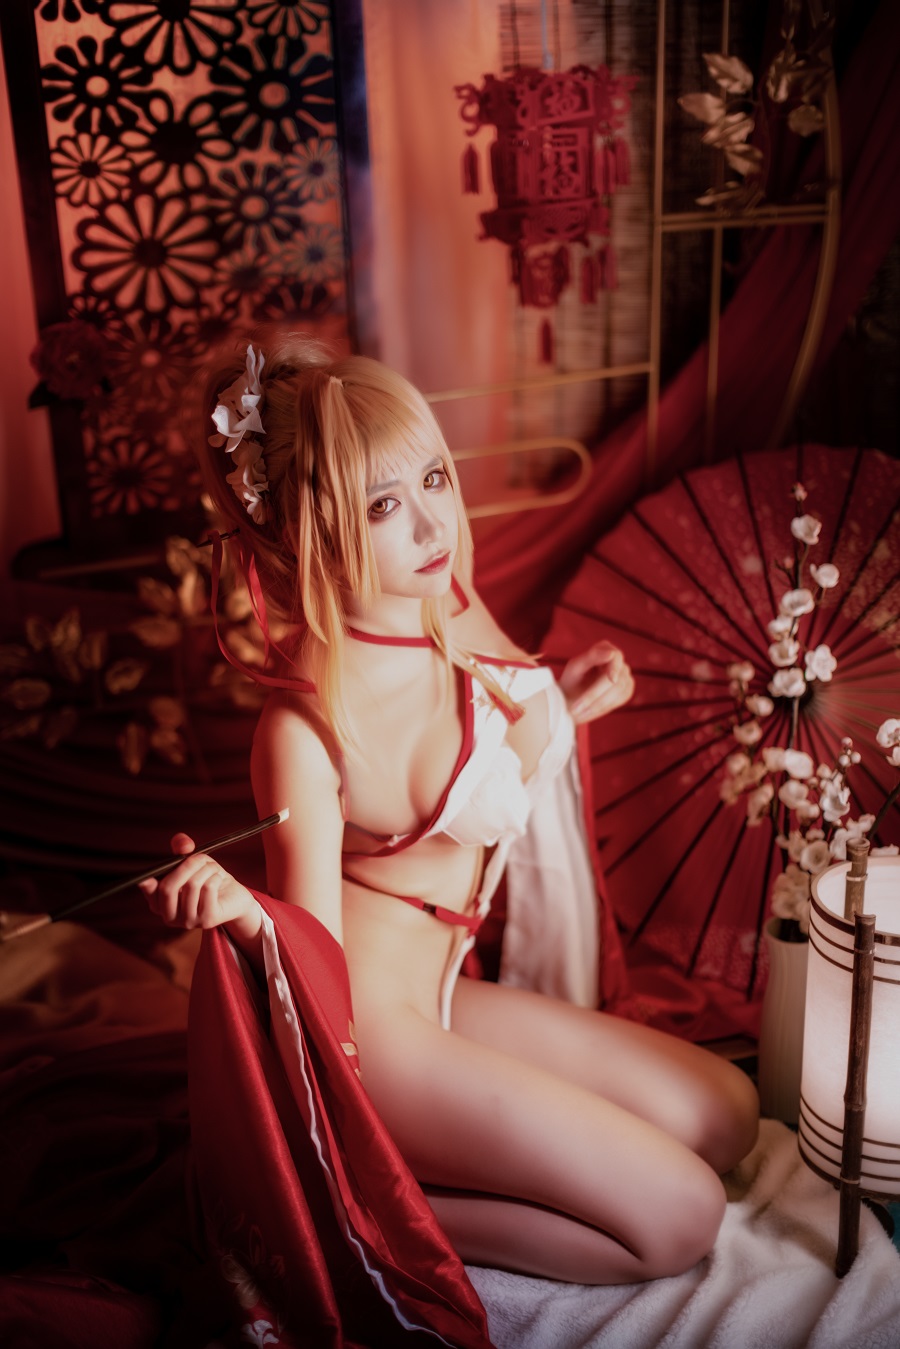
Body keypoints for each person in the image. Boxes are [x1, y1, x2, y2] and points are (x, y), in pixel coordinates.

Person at [140, 334, 758, 1301]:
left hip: (447, 986)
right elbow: (315, 963)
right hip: (379, 1035)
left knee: (727, 1111)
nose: (435, 523)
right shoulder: (305, 727)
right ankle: (360, 1206)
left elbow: (495, 743)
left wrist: (565, 703)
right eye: (384, 505)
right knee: (682, 1216)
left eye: (434, 476)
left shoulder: (443, 602)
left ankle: (406, 1179)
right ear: (309, 530)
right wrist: (238, 907)